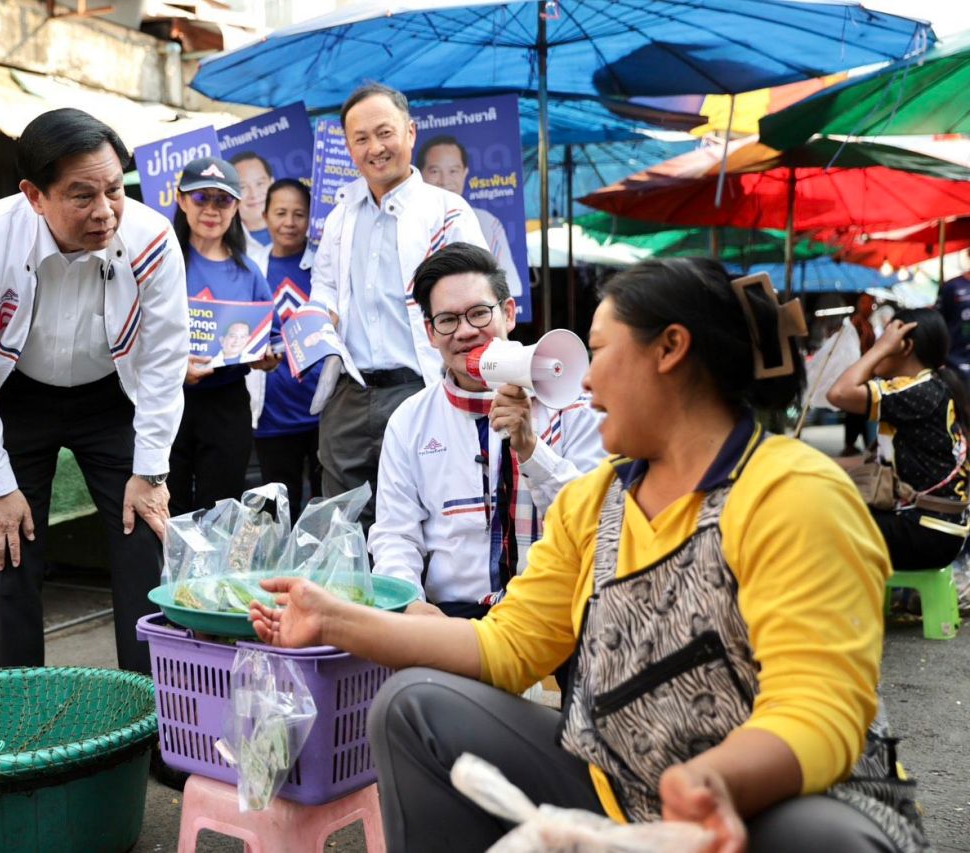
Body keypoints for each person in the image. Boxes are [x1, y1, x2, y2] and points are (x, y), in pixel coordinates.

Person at [251, 257, 927, 853]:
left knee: (820, 838)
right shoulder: (595, 500)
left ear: (671, 349)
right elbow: (506, 646)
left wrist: (712, 778)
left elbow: (819, 706)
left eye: (599, 350)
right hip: (618, 787)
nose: (585, 378)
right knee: (412, 706)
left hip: (769, 800)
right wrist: (333, 619)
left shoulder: (794, 492)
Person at [0, 108, 187, 674]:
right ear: (33, 195)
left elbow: (164, 359)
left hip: (111, 397)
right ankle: (17, 725)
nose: (105, 212)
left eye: (114, 190)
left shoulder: (151, 238)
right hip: (19, 395)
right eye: (82, 196)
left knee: (141, 541)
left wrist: (150, 472)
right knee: (10, 548)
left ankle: (155, 725)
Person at [371, 242, 604, 617]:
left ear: (509, 313)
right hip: (449, 615)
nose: (465, 332)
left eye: (479, 314)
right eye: (447, 320)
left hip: (558, 613)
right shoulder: (410, 421)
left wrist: (532, 450)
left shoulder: (574, 403)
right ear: (430, 333)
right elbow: (396, 535)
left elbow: (598, 521)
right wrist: (411, 605)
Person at [311, 83, 488, 527]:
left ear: (410, 132)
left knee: (426, 518)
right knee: (343, 525)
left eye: (384, 132)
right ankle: (349, 601)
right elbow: (325, 290)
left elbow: (477, 299)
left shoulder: (448, 211)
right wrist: (313, 326)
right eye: (361, 139)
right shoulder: (339, 217)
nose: (375, 148)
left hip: (422, 387)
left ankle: (416, 601)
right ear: (349, 147)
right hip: (349, 394)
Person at [170, 156, 279, 515]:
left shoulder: (248, 272)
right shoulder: (161, 262)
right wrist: (174, 366)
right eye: (201, 198)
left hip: (226, 403)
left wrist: (267, 358)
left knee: (221, 511)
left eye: (223, 200)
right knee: (166, 510)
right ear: (182, 199)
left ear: (236, 207)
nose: (211, 210)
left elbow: (270, 335)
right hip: (167, 400)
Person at [827, 307, 970, 571]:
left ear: (904, 346)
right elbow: (876, 460)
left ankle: (838, 609)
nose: (878, 342)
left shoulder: (918, 390)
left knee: (819, 527)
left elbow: (839, 394)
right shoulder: (927, 387)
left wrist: (878, 350)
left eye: (886, 336)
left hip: (926, 532)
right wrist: (818, 464)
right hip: (932, 529)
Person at [246, 178, 323, 519]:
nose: (289, 222)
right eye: (280, 213)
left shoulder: (326, 265)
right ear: (264, 216)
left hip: (324, 412)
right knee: (275, 513)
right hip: (273, 416)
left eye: (299, 214)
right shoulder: (250, 266)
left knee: (324, 508)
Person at [417, 134, 525, 299]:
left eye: (453, 171)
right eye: (434, 171)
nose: (445, 180)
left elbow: (512, 288)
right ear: (419, 174)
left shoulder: (488, 223)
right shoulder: (404, 222)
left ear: (465, 173)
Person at [842, 294, 877, 455]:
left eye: (870, 303)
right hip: (857, 370)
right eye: (864, 303)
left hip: (866, 372)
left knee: (863, 409)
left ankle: (864, 442)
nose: (868, 306)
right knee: (854, 410)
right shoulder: (855, 323)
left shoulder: (868, 324)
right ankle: (850, 443)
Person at [229, 150, 275, 251]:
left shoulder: (307, 229)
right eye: (243, 187)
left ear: (272, 184)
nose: (254, 194)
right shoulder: (226, 247)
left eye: (260, 183)